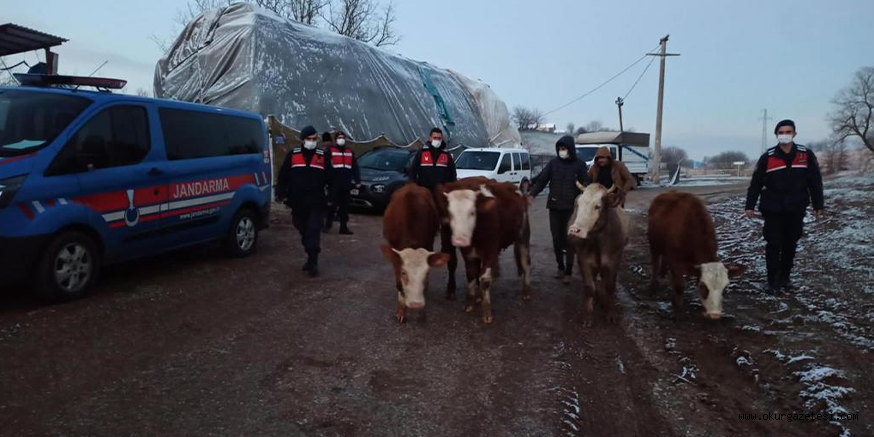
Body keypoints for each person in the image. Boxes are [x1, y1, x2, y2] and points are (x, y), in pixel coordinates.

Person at [745, 119, 824, 293]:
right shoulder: (768, 157)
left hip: (796, 207)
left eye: (788, 132)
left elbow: (815, 181)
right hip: (773, 208)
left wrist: (818, 204)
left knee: (790, 243)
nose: (785, 135)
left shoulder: (805, 155)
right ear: (776, 135)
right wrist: (749, 205)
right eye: (781, 132)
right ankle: (772, 281)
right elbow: (756, 183)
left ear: (794, 134)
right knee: (773, 243)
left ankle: (785, 278)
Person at [528, 135, 590, 284]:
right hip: (554, 207)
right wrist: (532, 194)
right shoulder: (553, 164)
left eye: (564, 148)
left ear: (570, 149)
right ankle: (560, 267)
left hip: (571, 209)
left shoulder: (580, 165)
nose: (562, 151)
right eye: (560, 148)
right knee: (556, 238)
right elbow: (542, 180)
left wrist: (582, 198)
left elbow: (586, 185)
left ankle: (568, 271)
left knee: (569, 240)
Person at [276, 125, 333, 277]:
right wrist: (281, 193)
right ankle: (310, 253)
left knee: (313, 230)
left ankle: (313, 262)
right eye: (309, 139)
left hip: (317, 201)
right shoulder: (293, 155)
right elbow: (283, 176)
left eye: (314, 139)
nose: (312, 142)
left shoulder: (323, 156)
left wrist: (331, 197)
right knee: (302, 228)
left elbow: (332, 178)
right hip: (298, 201)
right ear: (303, 140)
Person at [324, 131, 361, 234]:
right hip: (334, 184)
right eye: (339, 138)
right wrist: (326, 180)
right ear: (336, 139)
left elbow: (355, 167)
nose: (341, 139)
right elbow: (326, 167)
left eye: (343, 138)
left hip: (346, 184)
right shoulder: (330, 151)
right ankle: (328, 225)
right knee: (332, 206)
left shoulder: (349, 152)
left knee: (345, 207)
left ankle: (343, 227)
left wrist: (357, 180)